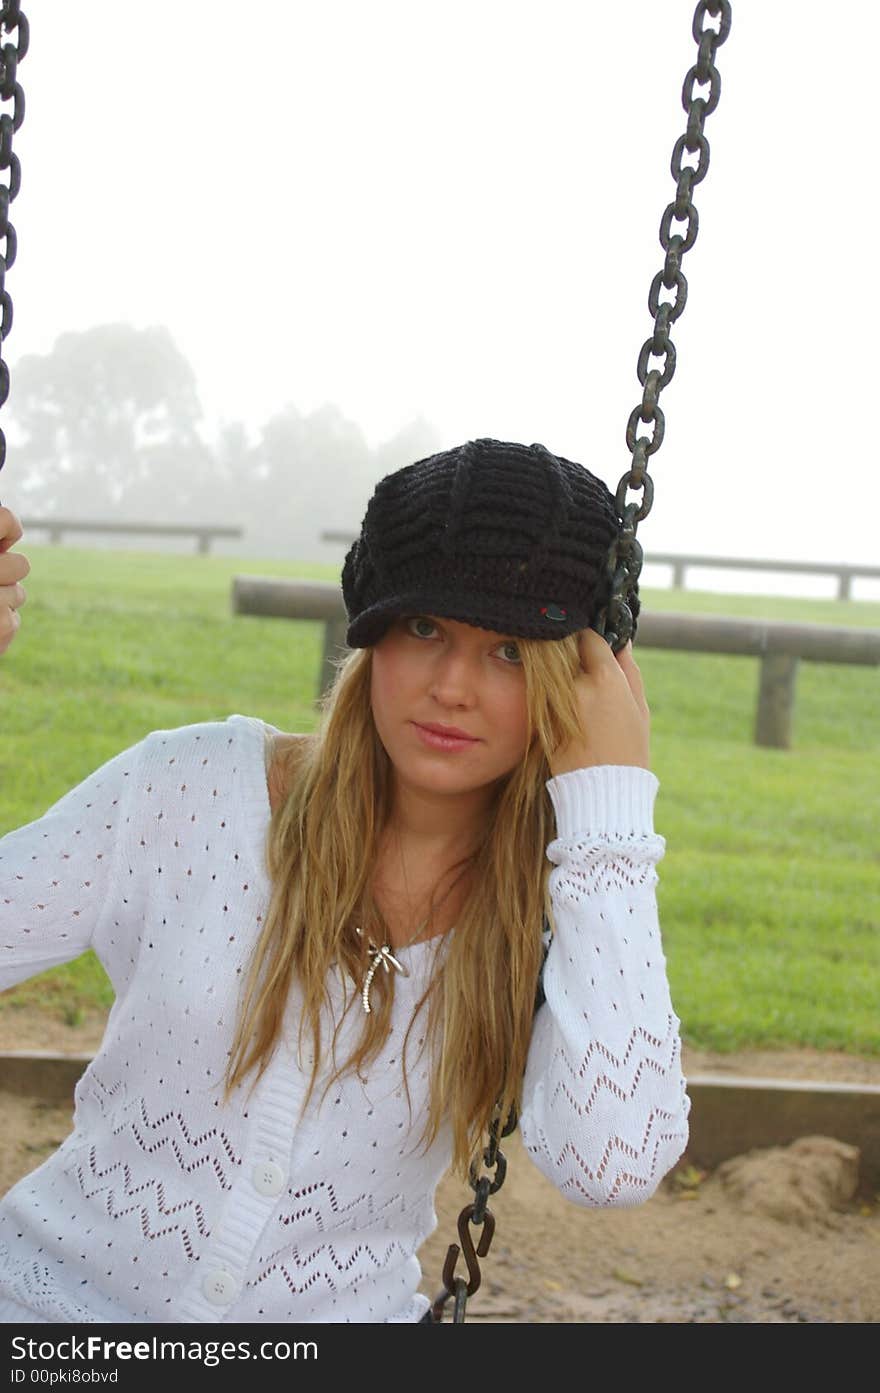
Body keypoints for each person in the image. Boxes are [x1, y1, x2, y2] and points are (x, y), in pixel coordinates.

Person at [0, 438, 690, 1325]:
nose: (451, 686)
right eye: (425, 627)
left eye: (511, 652)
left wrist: (610, 820)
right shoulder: (191, 789)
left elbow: (615, 1164)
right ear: (372, 633)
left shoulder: (564, 903)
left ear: (578, 680)